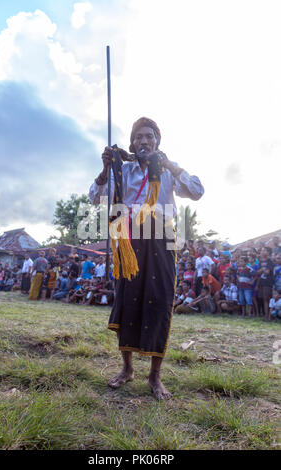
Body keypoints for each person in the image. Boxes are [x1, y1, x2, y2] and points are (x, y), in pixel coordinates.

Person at [89, 116, 204, 400]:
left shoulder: (166, 172)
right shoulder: (121, 169)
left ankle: (154, 377)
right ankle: (127, 369)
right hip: (128, 241)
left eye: (149, 137)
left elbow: (197, 191)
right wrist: (105, 169)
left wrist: (172, 166)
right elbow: (94, 196)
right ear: (132, 142)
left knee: (160, 301)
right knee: (127, 303)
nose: (144, 141)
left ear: (157, 142)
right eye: (139, 136)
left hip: (162, 239)